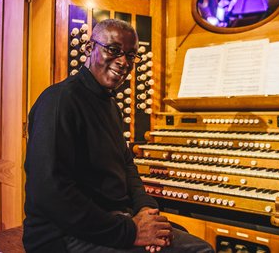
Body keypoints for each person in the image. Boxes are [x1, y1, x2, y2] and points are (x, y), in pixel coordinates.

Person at [23, 19, 214, 253]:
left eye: (131, 55)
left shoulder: (110, 105)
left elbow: (126, 165)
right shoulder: (59, 100)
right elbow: (50, 192)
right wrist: (132, 232)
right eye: (113, 50)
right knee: (198, 251)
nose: (124, 62)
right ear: (89, 49)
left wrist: (145, 209)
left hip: (111, 220)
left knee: (180, 239)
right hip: (62, 235)